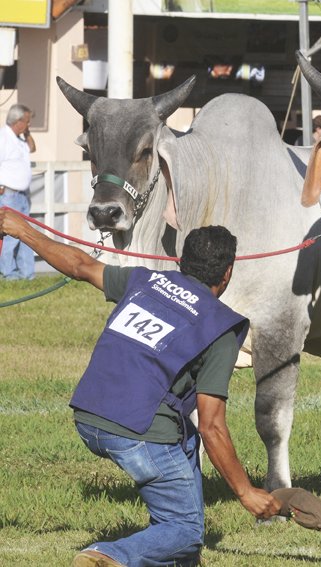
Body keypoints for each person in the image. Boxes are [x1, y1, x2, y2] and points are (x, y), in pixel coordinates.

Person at [0, 211, 281, 567]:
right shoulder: (220, 328)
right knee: (186, 529)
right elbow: (213, 426)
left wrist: (22, 229)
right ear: (227, 273)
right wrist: (245, 491)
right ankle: (106, 556)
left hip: (88, 415)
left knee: (186, 436)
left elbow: (80, 266)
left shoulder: (146, 281)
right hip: (136, 432)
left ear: (181, 261)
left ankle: (182, 558)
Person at [0, 104, 36, 280]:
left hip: (22, 195)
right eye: (27, 121)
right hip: (9, 194)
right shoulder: (3, 137)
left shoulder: (20, 139)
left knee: (26, 234)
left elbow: (32, 148)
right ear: (18, 121)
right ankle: (8, 274)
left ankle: (27, 274)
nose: (29, 125)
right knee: (10, 235)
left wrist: (27, 133)